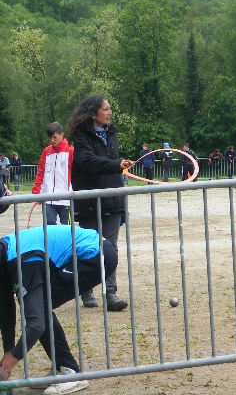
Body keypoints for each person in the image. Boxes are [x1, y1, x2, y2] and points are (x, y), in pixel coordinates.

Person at [0, 225, 117, 394]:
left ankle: (71, 373)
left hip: (95, 254)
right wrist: (8, 351)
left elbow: (36, 325)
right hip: (82, 252)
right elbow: (5, 309)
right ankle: (61, 368)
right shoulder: (5, 257)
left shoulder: (23, 262)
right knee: (40, 306)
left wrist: (9, 363)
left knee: (40, 307)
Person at [67, 94, 132, 311]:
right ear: (94, 113)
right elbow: (87, 161)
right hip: (89, 200)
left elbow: (111, 162)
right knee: (91, 247)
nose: (110, 112)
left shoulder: (112, 133)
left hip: (113, 199)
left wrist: (120, 165)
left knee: (111, 247)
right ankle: (86, 289)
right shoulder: (81, 136)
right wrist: (116, 164)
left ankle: (110, 293)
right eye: (106, 109)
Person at [32, 122, 74, 225]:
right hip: (48, 197)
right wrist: (37, 191)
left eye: (54, 137)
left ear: (61, 135)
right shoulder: (46, 151)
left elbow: (77, 174)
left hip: (66, 198)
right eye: (50, 138)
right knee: (49, 227)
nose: (52, 140)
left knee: (66, 229)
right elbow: (40, 171)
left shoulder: (70, 151)